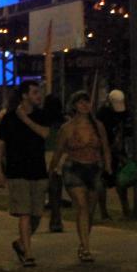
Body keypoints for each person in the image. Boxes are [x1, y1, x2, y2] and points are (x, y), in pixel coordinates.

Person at [49, 91, 111, 263]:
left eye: (87, 102)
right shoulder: (67, 128)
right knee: (82, 206)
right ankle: (85, 247)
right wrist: (51, 170)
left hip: (94, 168)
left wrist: (108, 168)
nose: (85, 105)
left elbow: (105, 148)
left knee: (90, 209)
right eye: (81, 102)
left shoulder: (98, 126)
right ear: (75, 105)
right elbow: (59, 151)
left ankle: (83, 242)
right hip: (74, 169)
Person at [0, 80, 49, 268]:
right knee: (24, 213)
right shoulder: (9, 118)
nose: (38, 96)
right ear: (25, 95)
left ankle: (20, 243)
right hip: (17, 171)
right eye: (34, 92)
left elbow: (44, 134)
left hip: (38, 170)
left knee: (37, 214)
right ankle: (28, 253)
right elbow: (0, 144)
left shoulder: (41, 115)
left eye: (39, 92)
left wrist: (25, 120)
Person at [97, 89, 133, 218]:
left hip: (118, 149)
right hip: (105, 150)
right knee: (102, 180)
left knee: (121, 181)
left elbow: (125, 129)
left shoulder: (123, 113)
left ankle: (126, 210)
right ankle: (104, 212)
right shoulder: (102, 114)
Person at [42, 94, 68, 232]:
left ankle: (55, 216)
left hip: (47, 153)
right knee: (57, 184)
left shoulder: (42, 119)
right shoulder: (63, 121)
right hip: (61, 153)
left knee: (52, 184)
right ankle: (56, 216)